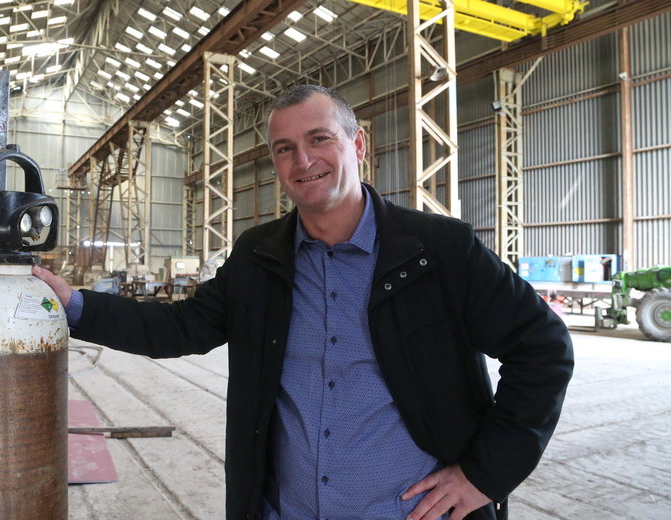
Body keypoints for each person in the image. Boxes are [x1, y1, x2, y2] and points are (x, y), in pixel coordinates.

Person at [34, 84, 574, 520]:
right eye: (285, 148)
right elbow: (184, 326)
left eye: (320, 139)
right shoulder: (259, 256)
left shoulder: (439, 250)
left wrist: (484, 473)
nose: (304, 159)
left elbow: (543, 348)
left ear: (357, 145)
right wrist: (76, 306)